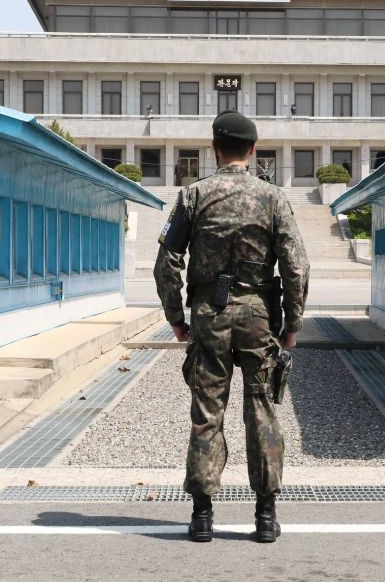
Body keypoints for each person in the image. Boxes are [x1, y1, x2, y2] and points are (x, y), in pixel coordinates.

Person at [155, 111, 310, 544]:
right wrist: (293, 324)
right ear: (254, 150)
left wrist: (176, 318)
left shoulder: (193, 196)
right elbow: (297, 267)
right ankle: (264, 516)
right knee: (261, 409)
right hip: (259, 317)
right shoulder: (274, 198)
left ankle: (202, 516)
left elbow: (166, 262)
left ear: (214, 149)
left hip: (209, 316)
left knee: (207, 414)